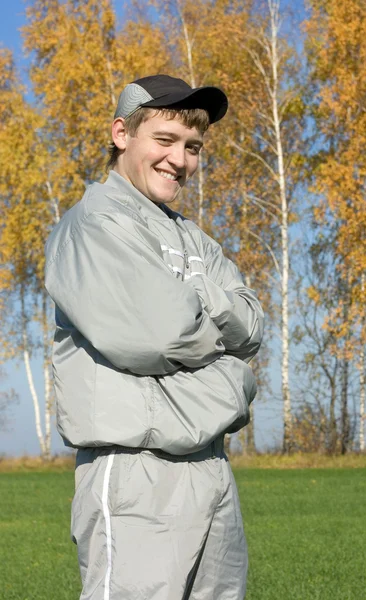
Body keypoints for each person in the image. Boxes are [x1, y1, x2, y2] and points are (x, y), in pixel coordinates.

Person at [45, 74, 264, 600]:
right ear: (122, 133)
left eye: (192, 147)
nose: (180, 160)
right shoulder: (94, 225)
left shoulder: (193, 237)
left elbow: (253, 326)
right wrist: (232, 372)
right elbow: (164, 337)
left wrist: (197, 297)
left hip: (211, 467)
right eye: (164, 141)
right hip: (136, 472)